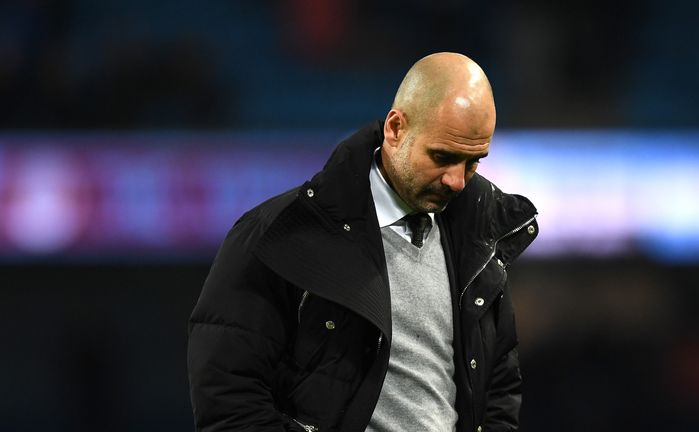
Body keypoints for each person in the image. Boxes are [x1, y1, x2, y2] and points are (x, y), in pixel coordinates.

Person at [187, 52, 538, 432]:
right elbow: (229, 403)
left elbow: (498, 392)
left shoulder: (479, 245)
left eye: (473, 163)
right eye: (442, 156)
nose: (456, 180)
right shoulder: (278, 233)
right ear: (395, 128)